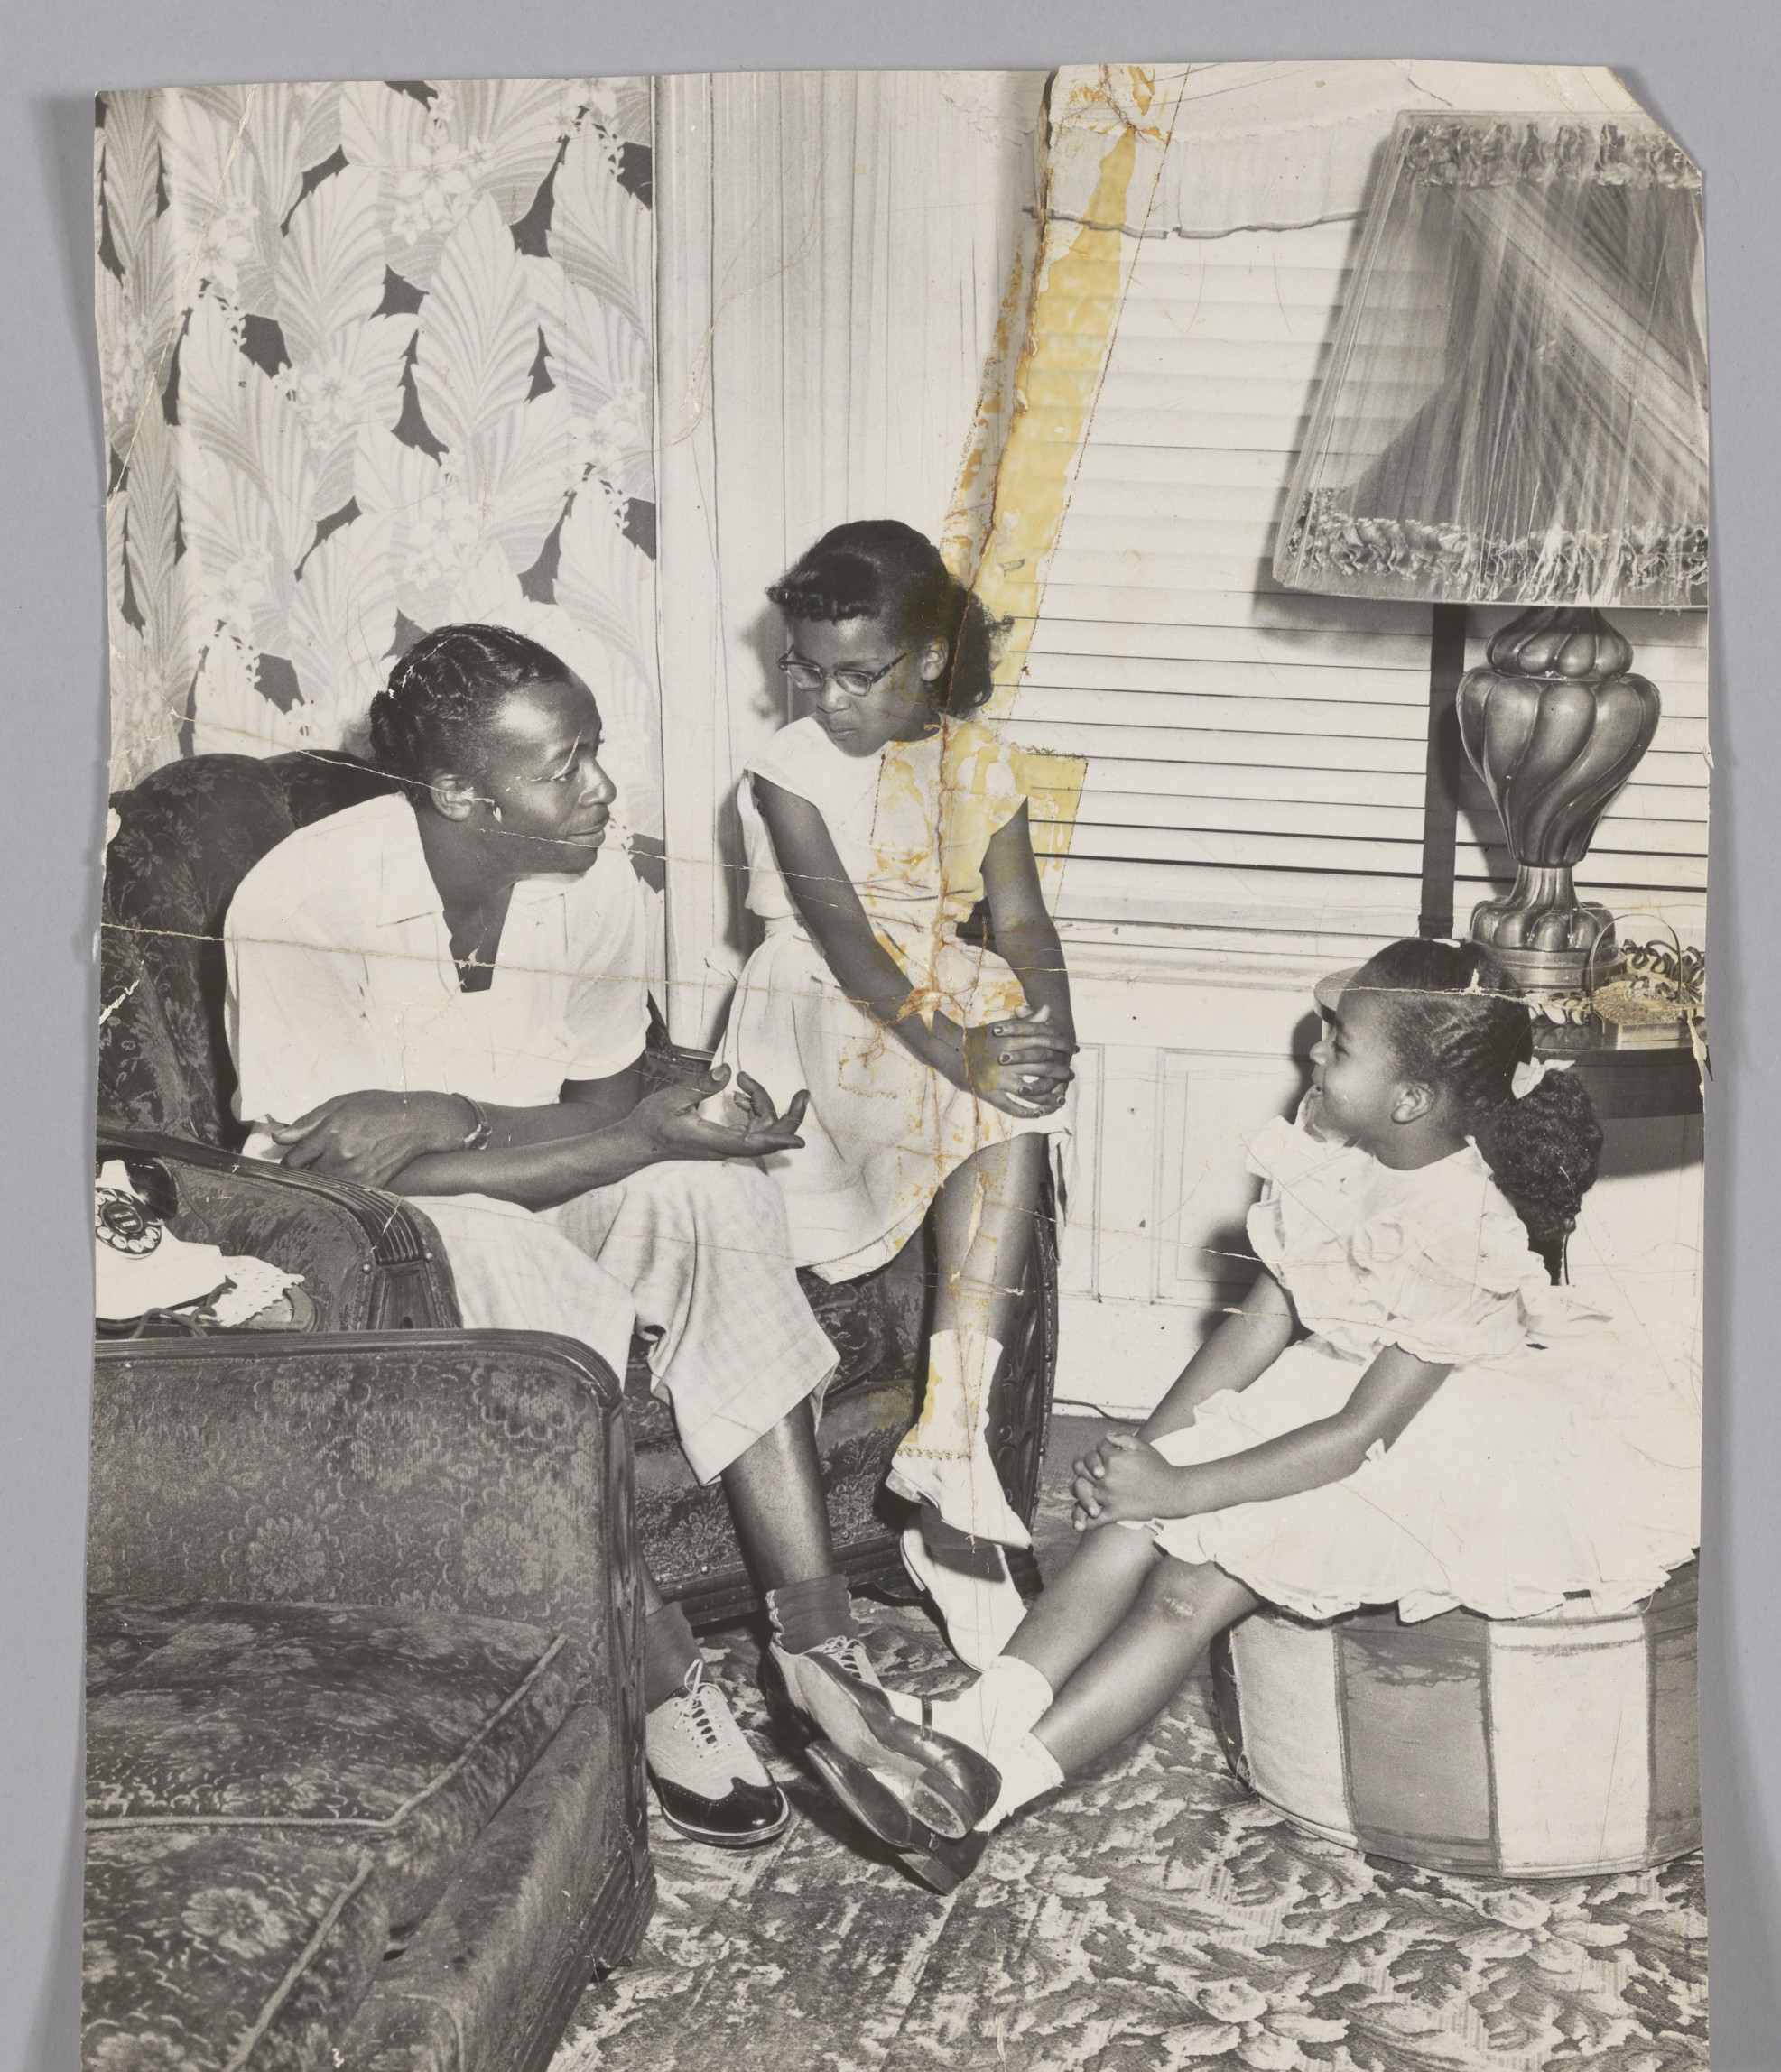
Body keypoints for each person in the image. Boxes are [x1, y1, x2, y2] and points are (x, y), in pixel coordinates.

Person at [222, 622, 989, 1852]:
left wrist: (473, 1112)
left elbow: (586, 1112)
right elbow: (369, 1175)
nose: (600, 789)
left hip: (519, 1172)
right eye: (563, 767)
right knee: (529, 1245)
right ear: (464, 794)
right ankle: (661, 1669)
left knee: (720, 1195)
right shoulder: (302, 901)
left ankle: (817, 1644)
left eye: (596, 752)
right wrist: (603, 1140)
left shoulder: (598, 888)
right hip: (350, 1243)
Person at [800, 939, 1703, 1891]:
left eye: (1337, 1045)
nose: (1313, 1058)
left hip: (1418, 1440)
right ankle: (967, 1727)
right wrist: (1149, 1453)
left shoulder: (1458, 1228)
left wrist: (1188, 1485)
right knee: (1122, 1530)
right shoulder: (1331, 1158)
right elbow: (1262, 1322)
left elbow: (1359, 1436)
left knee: (1187, 1592)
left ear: (1408, 1100)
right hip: (1326, 1395)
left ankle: (988, 1795)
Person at [717, 521, 1077, 1670]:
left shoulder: (981, 764)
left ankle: (949, 1447)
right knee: (991, 1099)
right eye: (804, 668)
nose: (826, 698)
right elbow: (851, 951)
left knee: (1020, 1106)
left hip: (935, 999)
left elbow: (1016, 918)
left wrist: (1047, 1020)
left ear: (926, 656)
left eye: (856, 675)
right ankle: (951, 1475)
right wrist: (969, 1058)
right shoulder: (790, 770)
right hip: (824, 1014)